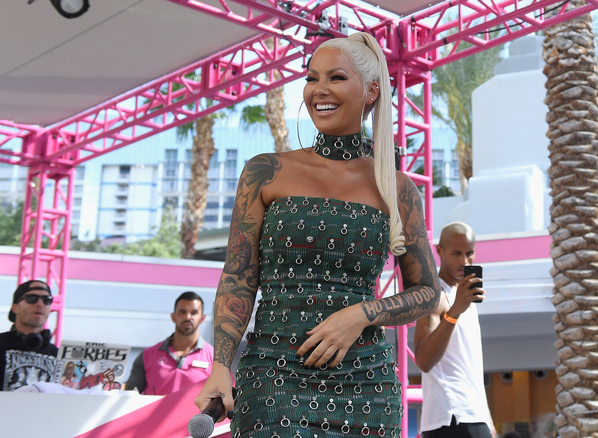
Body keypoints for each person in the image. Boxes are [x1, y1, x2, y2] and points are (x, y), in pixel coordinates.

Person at [194, 32, 440, 437]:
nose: (318, 90)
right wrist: (220, 366)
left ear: (371, 91)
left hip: (368, 384)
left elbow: (428, 291)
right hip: (273, 376)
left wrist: (361, 314)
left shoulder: (396, 188)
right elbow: (239, 276)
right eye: (312, 78)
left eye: (336, 77)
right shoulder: (264, 172)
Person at [414, 222, 495, 437]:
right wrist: (455, 311)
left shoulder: (465, 298)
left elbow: (470, 367)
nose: (464, 261)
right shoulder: (434, 295)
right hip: (450, 416)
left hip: (473, 415)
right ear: (440, 251)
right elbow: (423, 361)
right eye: (456, 253)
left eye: (469, 253)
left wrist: (487, 416)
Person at [125, 291, 214, 395]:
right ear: (173, 316)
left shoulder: (216, 358)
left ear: (202, 318)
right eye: (182, 312)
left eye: (194, 313)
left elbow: (224, 397)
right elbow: (129, 395)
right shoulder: (147, 355)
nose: (188, 317)